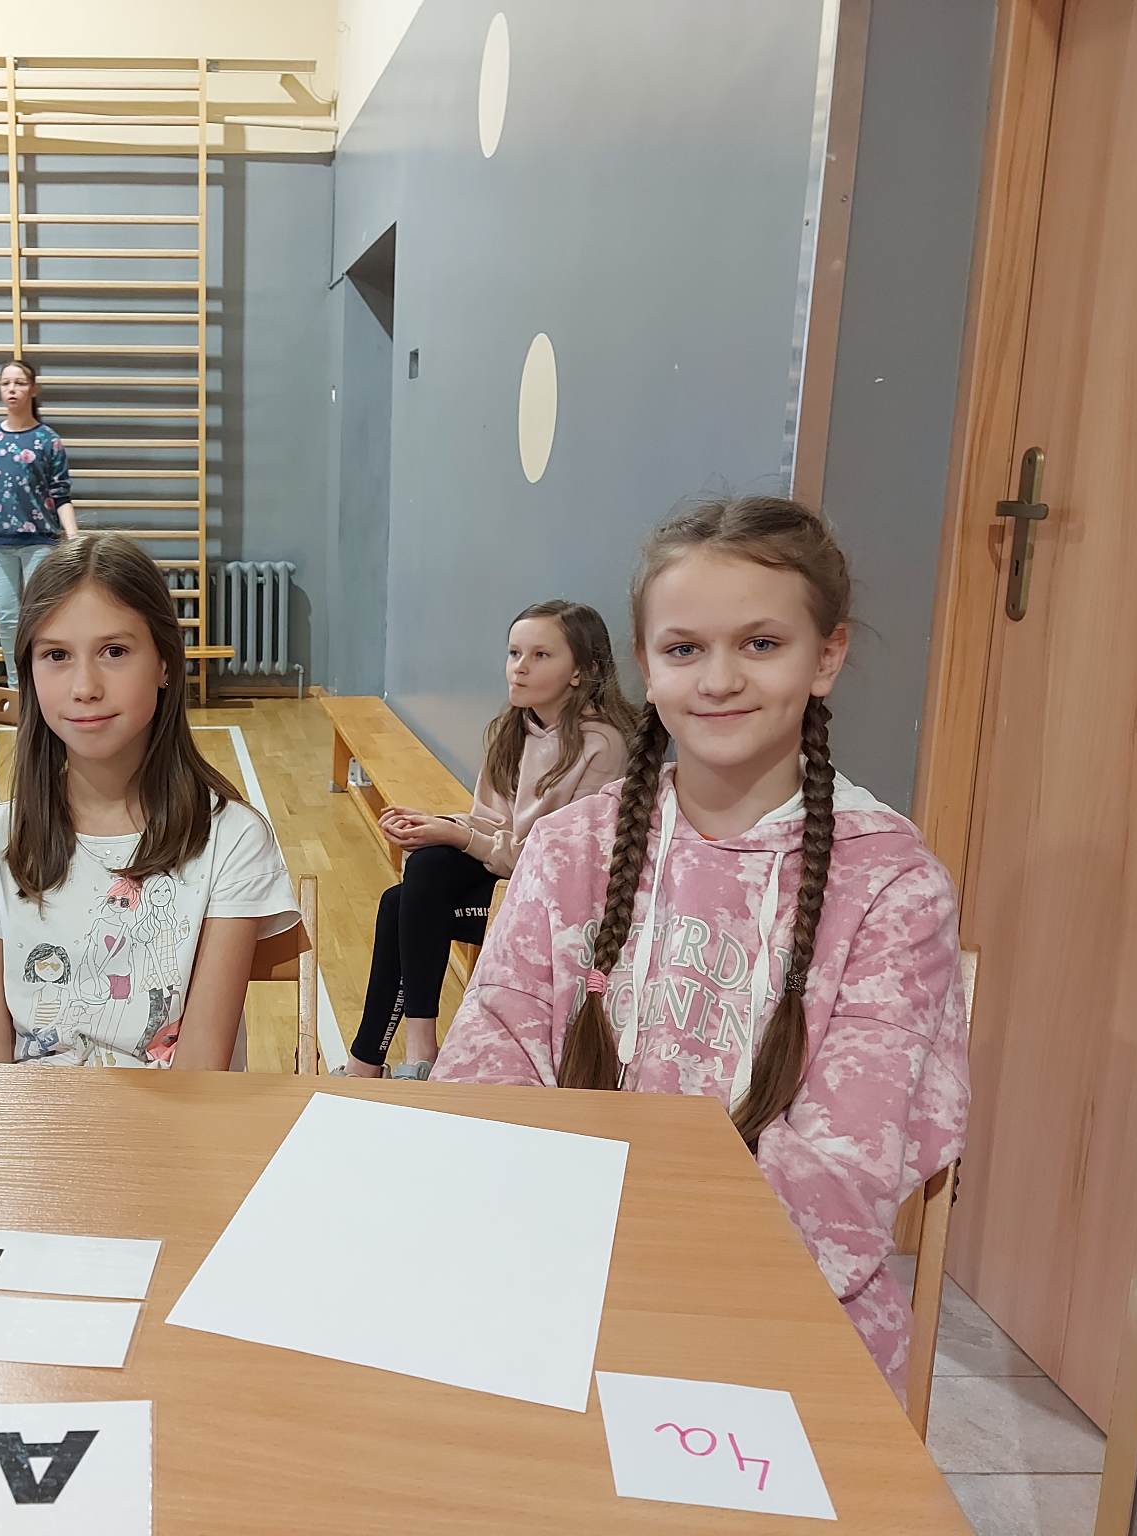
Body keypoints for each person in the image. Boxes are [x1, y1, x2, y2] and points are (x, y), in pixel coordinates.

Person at [433, 496, 968, 1398]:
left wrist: (630, 1256)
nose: (719, 679)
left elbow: (845, 1173)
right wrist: (560, 1260)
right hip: (556, 1286)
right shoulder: (570, 850)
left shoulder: (893, 886)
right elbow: (487, 1074)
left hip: (780, 1321)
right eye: (684, 649)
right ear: (646, 666)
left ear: (826, 655)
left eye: (761, 642)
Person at [0, 532, 298, 1069]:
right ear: (29, 671)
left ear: (165, 663)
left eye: (115, 652)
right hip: (27, 1121)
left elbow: (200, 1076)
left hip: (173, 1120)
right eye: (56, 655)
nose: (85, 686)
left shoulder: (232, 840)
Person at [340, 601, 635, 1081]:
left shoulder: (602, 745)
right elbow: (491, 824)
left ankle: (392, 1058)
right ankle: (389, 1058)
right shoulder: (514, 731)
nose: (520, 667)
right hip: (508, 877)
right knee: (421, 873)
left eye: (540, 655)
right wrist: (435, 824)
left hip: (555, 910)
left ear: (582, 671)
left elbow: (556, 867)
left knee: (407, 902)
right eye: (514, 653)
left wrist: (456, 834)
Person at [0, 358, 77, 682]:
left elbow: (61, 494)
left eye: (19, 383)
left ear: (33, 389)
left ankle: (44, 681)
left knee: (41, 615)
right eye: (6, 383)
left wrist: (74, 537)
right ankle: (17, 685)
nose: (12, 389)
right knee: (6, 618)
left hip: (39, 540)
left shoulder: (48, 440)